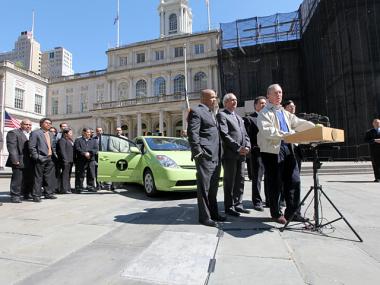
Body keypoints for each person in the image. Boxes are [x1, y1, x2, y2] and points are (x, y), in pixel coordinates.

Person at [257, 84, 314, 224]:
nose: (279, 95)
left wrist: (315, 127)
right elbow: (267, 131)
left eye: (280, 92)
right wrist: (287, 134)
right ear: (268, 95)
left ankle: (293, 212)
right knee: (275, 182)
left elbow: (298, 123)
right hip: (272, 150)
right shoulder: (264, 113)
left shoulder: (284, 112)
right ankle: (276, 213)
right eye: (275, 93)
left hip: (288, 147)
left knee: (294, 180)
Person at [187, 89, 226, 227]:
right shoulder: (196, 111)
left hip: (216, 155)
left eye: (215, 97)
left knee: (213, 188)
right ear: (204, 98)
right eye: (213, 97)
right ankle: (204, 217)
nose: (215, 99)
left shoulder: (211, 113)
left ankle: (214, 213)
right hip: (205, 156)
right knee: (204, 188)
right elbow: (193, 133)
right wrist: (198, 153)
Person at [217, 93, 251, 217]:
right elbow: (224, 134)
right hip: (230, 154)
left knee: (240, 179)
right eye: (231, 100)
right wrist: (238, 148)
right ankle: (229, 206)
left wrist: (247, 146)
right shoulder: (222, 115)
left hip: (242, 154)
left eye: (236, 100)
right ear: (225, 103)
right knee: (230, 181)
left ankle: (238, 204)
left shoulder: (239, 117)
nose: (234, 102)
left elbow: (245, 135)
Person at [244, 96, 269, 211]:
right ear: (255, 105)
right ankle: (257, 202)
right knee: (257, 178)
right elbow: (247, 137)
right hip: (257, 152)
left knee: (270, 178)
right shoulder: (249, 119)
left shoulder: (269, 118)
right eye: (261, 103)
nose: (264, 105)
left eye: (265, 103)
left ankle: (269, 200)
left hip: (269, 152)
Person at [29, 118, 57, 202]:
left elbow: (53, 146)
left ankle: (48, 193)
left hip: (50, 158)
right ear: (41, 124)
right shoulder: (35, 133)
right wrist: (37, 157)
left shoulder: (51, 134)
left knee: (49, 177)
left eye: (50, 123)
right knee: (38, 178)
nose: (49, 124)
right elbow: (32, 147)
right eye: (47, 123)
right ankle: (36, 195)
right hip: (40, 158)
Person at [6, 119, 33, 203]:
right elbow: (12, 147)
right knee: (17, 179)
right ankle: (15, 196)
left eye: (29, 125)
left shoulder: (31, 134)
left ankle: (26, 194)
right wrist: (15, 159)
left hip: (29, 160)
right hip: (18, 160)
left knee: (28, 178)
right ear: (21, 124)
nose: (28, 126)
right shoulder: (13, 133)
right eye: (26, 124)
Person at [74, 128, 98, 193]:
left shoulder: (94, 141)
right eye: (88, 132)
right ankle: (79, 188)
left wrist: (89, 153)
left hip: (91, 160)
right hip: (81, 160)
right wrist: (84, 153)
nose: (89, 134)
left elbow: (96, 149)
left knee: (91, 174)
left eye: (90, 132)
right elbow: (77, 148)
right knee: (80, 175)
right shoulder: (78, 140)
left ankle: (91, 187)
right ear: (83, 132)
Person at [56, 128, 74, 193]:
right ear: (65, 134)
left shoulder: (70, 140)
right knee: (64, 175)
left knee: (68, 175)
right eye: (70, 133)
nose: (71, 134)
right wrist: (65, 160)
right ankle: (63, 189)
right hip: (65, 161)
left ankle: (68, 188)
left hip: (70, 161)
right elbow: (62, 151)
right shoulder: (62, 140)